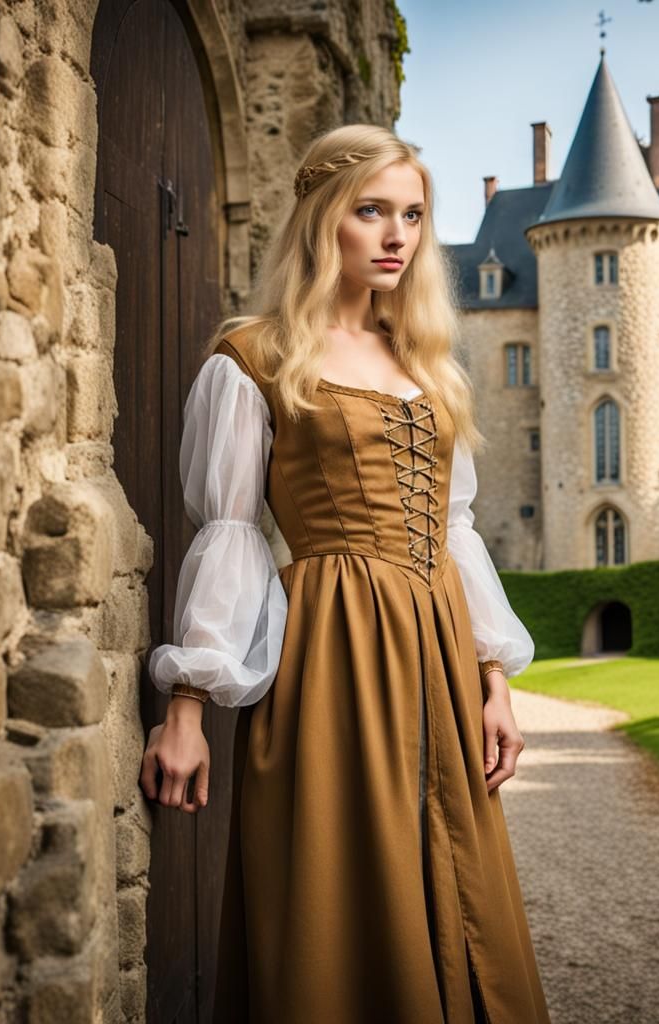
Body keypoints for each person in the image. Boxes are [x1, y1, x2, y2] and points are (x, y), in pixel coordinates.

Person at [137, 123, 552, 1023]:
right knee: (337, 887)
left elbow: (454, 528)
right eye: (372, 212)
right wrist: (188, 707)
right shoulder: (255, 357)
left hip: (439, 653)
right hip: (331, 651)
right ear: (326, 219)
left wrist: (494, 680)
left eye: (412, 214)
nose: (397, 234)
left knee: (457, 875)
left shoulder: (428, 365)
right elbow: (231, 533)